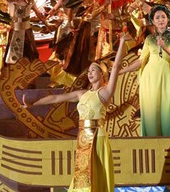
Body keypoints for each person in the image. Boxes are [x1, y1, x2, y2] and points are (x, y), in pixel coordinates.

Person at [22, 34, 128, 192]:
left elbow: (117, 66)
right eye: (89, 71)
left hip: (97, 137)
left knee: (95, 172)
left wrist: (122, 43)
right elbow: (56, 97)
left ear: (102, 74)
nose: (90, 73)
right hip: (83, 137)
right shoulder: (81, 94)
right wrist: (33, 104)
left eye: (93, 70)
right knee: (83, 172)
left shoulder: (105, 93)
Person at [119, 4, 170, 137]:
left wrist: (165, 47)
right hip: (150, 78)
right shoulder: (149, 39)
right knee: (151, 110)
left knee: (169, 110)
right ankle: (151, 139)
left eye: (163, 17)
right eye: (157, 17)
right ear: (153, 21)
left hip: (166, 77)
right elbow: (141, 60)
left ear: (168, 19)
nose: (160, 20)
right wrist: (121, 70)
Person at [4, 0, 47, 65]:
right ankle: (14, 73)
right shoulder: (11, 0)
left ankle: (30, 73)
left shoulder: (30, 1)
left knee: (30, 53)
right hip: (15, 31)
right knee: (13, 54)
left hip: (27, 32)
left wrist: (46, 22)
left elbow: (38, 14)